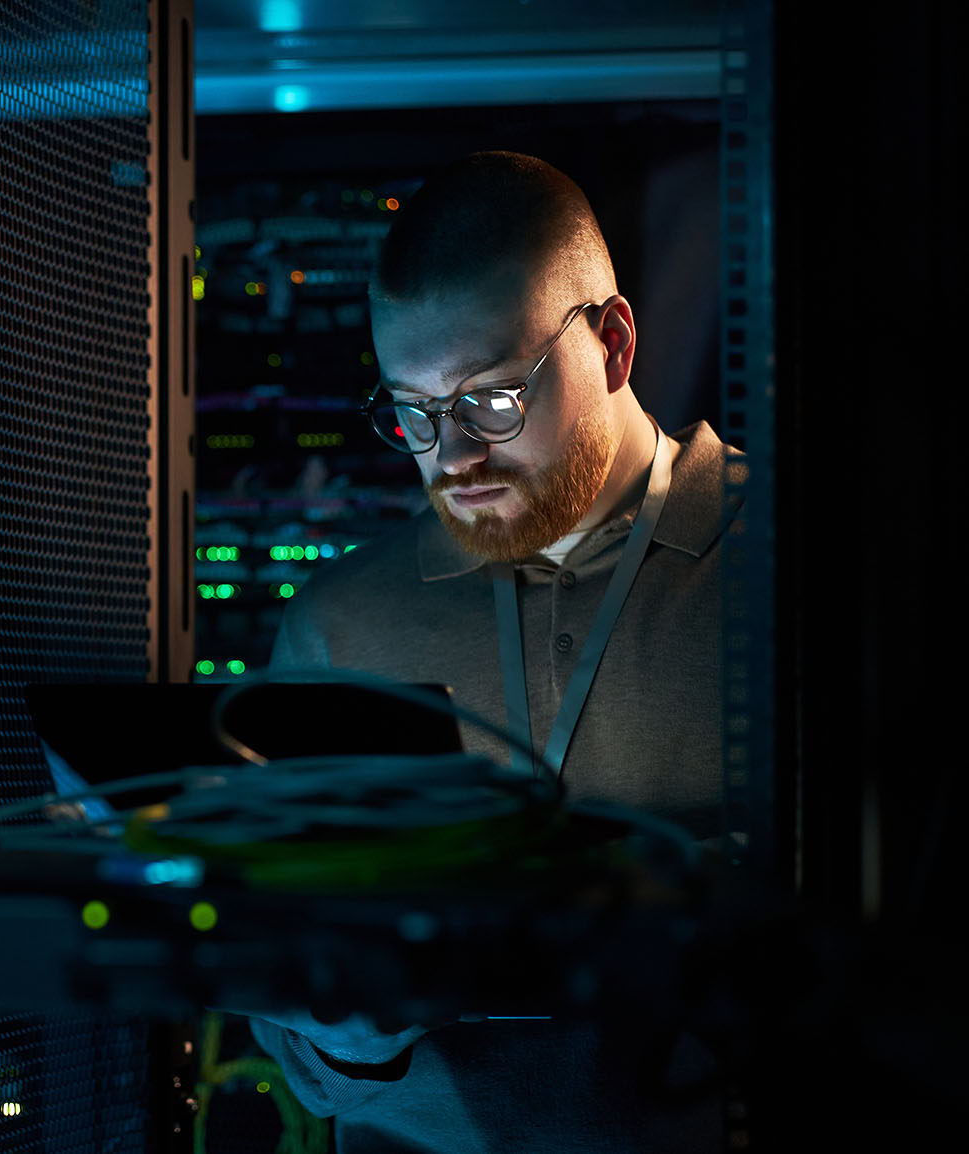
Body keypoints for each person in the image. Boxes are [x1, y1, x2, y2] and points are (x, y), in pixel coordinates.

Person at [245, 152, 743, 1152]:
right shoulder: (342, 624)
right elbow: (308, 1058)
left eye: (490, 399)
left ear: (613, 342)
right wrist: (343, 1022)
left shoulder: (799, 571)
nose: (454, 457)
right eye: (413, 414)